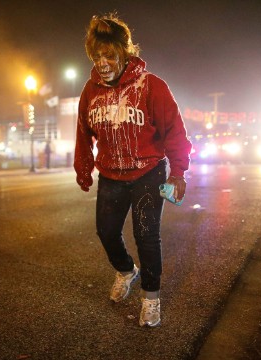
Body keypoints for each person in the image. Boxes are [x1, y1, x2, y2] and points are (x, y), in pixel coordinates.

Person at [73, 13, 192, 327]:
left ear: (123, 53)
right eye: (96, 56)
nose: (102, 62)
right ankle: (127, 271)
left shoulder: (151, 86)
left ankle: (150, 298)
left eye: (109, 55)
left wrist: (178, 172)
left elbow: (175, 132)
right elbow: (83, 132)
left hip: (148, 173)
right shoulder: (90, 90)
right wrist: (83, 168)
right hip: (111, 175)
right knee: (106, 231)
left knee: (146, 236)